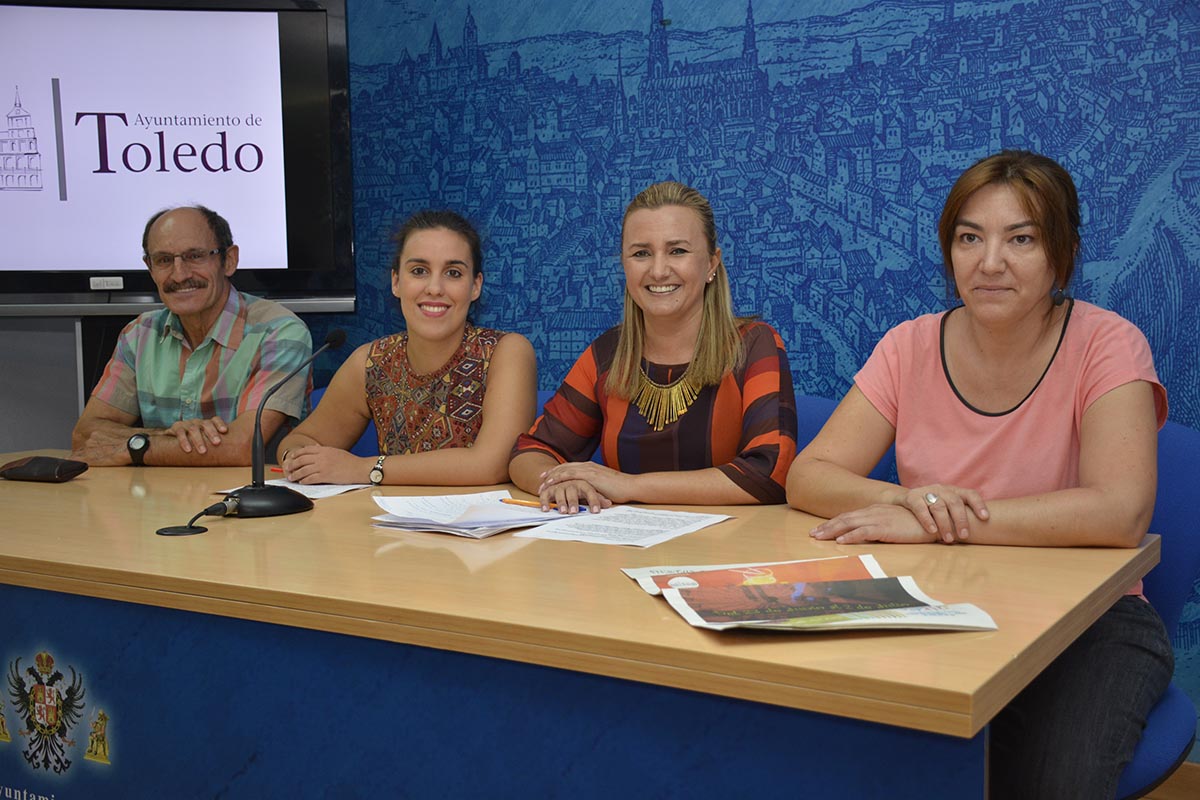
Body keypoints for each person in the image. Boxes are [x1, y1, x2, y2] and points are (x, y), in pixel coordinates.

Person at [786, 150, 1172, 799]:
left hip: (1089, 624)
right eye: (970, 238)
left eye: (1020, 239)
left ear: (1064, 253)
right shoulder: (909, 344)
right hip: (938, 608)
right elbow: (809, 477)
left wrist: (941, 525)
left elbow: (1120, 513)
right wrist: (913, 501)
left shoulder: (1108, 343)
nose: (990, 262)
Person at [510, 181, 797, 512]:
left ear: (712, 264)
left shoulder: (753, 344)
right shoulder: (607, 354)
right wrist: (561, 483)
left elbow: (770, 471)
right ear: (624, 265)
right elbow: (530, 451)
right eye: (641, 253)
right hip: (618, 549)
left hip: (729, 551)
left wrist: (630, 486)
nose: (659, 271)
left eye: (677, 251)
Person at [278, 210, 536, 486]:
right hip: (387, 527)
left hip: (482, 525)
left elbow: (490, 465)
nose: (435, 288)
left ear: (475, 286)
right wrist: (300, 460)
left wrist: (365, 469)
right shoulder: (372, 361)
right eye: (419, 271)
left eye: (453, 273)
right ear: (396, 282)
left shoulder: (505, 353)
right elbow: (300, 440)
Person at [71, 206, 312, 467]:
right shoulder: (140, 334)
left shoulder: (278, 332)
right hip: (155, 499)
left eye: (195, 256)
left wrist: (138, 446)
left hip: (248, 499)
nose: (179, 275)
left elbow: (242, 446)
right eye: (164, 260)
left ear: (229, 260)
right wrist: (163, 436)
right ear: (150, 269)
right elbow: (85, 436)